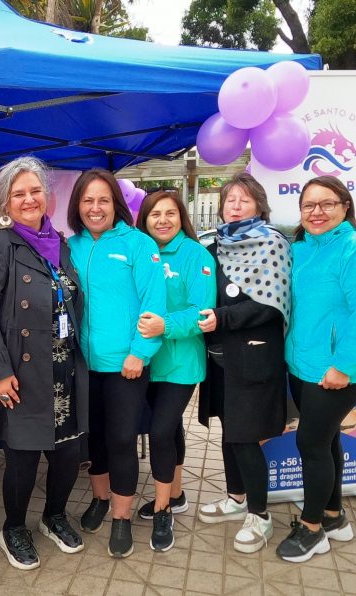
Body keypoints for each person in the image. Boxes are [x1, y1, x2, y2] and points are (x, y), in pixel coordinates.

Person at [0, 156, 88, 570]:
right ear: (4, 202)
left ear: (48, 197)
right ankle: (14, 527)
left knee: (69, 455)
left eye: (35, 191)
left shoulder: (63, 244)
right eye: (18, 194)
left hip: (67, 369)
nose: (28, 199)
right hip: (21, 371)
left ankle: (54, 517)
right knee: (23, 455)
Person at [276, 176, 356, 563]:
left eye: (326, 204)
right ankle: (335, 516)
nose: (316, 212)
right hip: (304, 365)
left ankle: (312, 529)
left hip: (339, 371)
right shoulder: (300, 249)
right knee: (326, 440)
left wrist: (342, 366)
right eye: (309, 205)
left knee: (311, 443)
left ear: (345, 206)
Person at [67, 170, 165, 558]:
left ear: (116, 205)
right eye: (88, 200)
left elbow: (153, 303)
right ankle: (100, 499)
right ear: (78, 205)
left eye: (103, 200)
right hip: (81, 365)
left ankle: (122, 518)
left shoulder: (139, 244)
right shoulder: (68, 246)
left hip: (126, 365)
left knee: (123, 440)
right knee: (92, 441)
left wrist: (138, 354)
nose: (95, 208)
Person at [196, 172, 291, 554]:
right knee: (229, 430)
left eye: (244, 199)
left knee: (245, 436)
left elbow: (272, 305)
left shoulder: (273, 244)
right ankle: (236, 499)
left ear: (259, 205)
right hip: (220, 358)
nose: (235, 205)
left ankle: (260, 514)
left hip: (253, 357)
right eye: (230, 199)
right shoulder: (214, 245)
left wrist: (224, 319)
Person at [133, 190, 217, 551]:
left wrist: (163, 325)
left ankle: (164, 507)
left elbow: (203, 313)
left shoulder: (195, 255)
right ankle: (177, 493)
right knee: (170, 431)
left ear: (182, 218)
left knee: (160, 431)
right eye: (155, 214)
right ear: (144, 219)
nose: (163, 220)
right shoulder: (140, 252)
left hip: (181, 363)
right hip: (146, 360)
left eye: (170, 213)